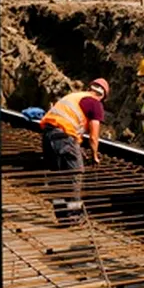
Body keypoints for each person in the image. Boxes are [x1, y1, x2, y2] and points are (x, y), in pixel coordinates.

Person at [38, 78, 109, 222]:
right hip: (64, 137)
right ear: (102, 96)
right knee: (76, 174)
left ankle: (62, 216)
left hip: (48, 136)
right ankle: (74, 215)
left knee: (57, 178)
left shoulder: (74, 96)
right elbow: (94, 137)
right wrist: (94, 155)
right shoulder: (95, 103)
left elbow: (72, 125)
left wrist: (77, 145)